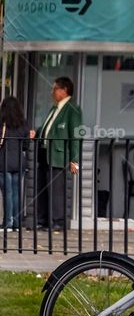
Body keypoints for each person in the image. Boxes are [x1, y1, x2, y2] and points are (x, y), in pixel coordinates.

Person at [30, 77, 82, 231]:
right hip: (45, 153)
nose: (52, 92)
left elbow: (76, 135)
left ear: (64, 90)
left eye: (54, 89)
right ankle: (44, 220)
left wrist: (75, 160)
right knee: (43, 188)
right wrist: (37, 133)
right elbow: (48, 127)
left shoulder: (73, 109)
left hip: (58, 155)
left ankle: (57, 221)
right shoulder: (55, 108)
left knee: (56, 191)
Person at [0, 97, 29, 230]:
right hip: (19, 162)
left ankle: (7, 223)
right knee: (17, 193)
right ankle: (17, 224)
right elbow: (26, 146)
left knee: (7, 193)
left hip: (3, 162)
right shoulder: (23, 124)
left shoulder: (2, 123)